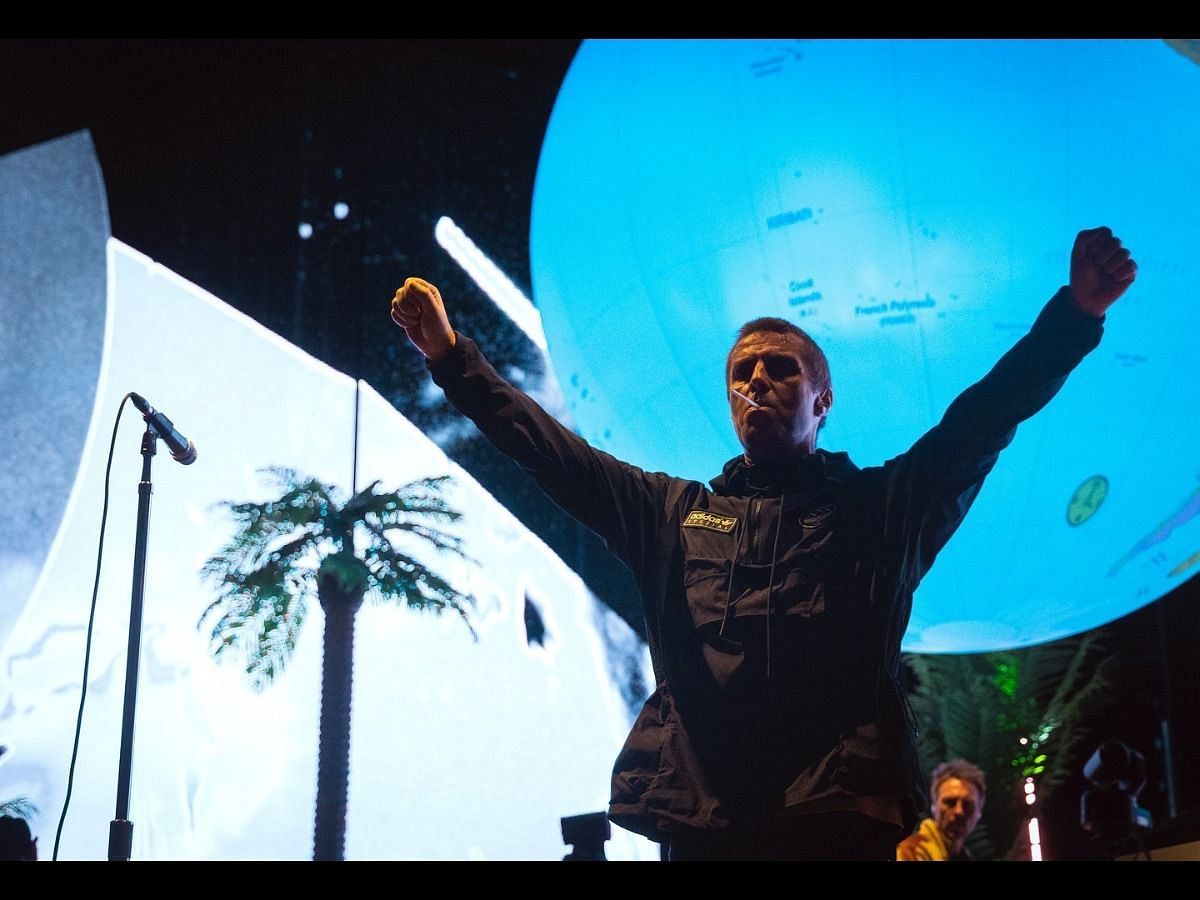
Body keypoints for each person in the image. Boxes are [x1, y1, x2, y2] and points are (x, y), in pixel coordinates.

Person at [390, 227, 1135, 860]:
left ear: (823, 399)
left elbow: (984, 418)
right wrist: (453, 357)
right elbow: (550, 451)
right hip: (705, 822)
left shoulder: (884, 509)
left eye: (781, 368)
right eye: (742, 372)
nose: (757, 381)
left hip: (839, 817)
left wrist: (1073, 317)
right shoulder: (671, 514)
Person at [896, 759, 986, 860]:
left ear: (979, 812)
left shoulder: (962, 856)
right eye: (950, 802)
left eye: (968, 805)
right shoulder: (911, 852)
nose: (959, 811)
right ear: (933, 806)